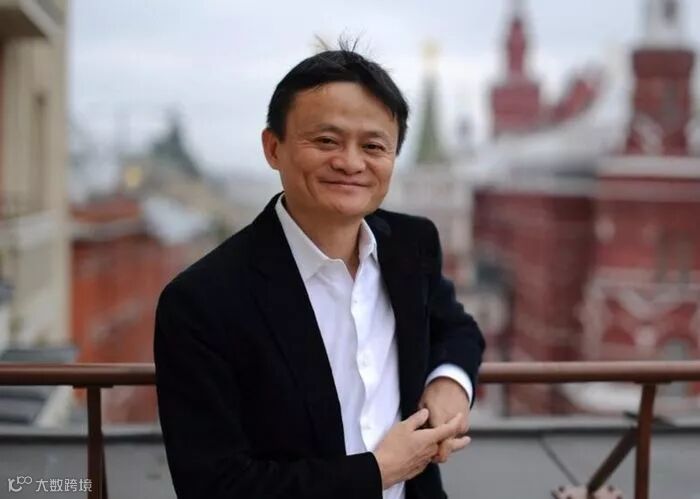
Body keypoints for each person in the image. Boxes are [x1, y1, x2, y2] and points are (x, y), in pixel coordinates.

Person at [154, 43, 485, 499]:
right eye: (327, 141)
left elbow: (457, 328)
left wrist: (449, 381)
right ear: (273, 147)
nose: (350, 162)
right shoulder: (201, 301)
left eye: (373, 146)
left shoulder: (412, 245)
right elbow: (214, 485)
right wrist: (378, 471)